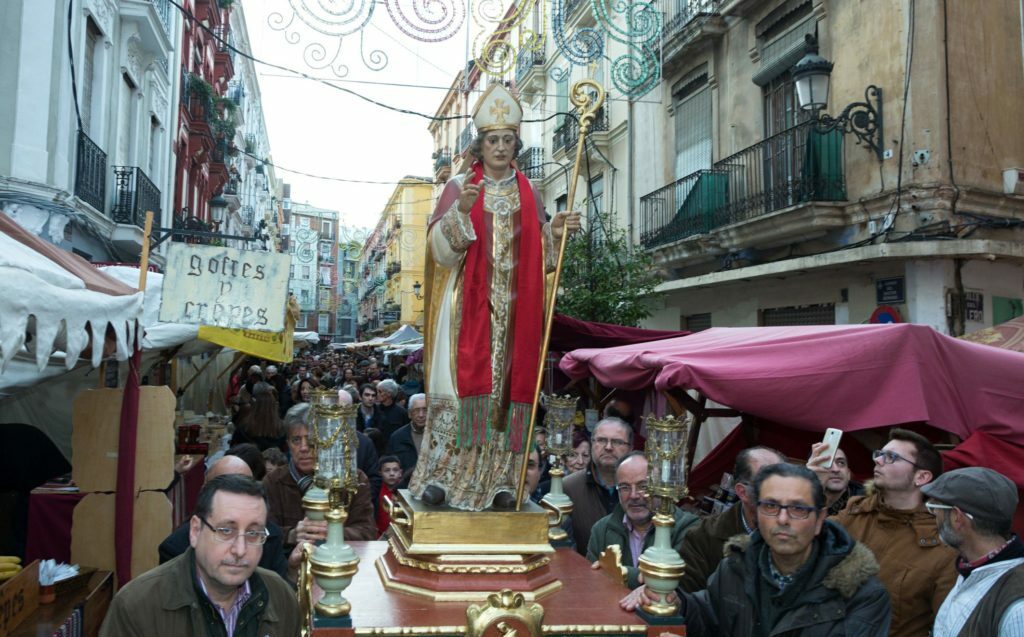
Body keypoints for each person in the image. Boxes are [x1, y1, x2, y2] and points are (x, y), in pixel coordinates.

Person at [408, 83, 580, 512]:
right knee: (460, 390)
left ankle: (502, 482)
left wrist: (553, 234)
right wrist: (461, 211)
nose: (500, 147)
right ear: (479, 145)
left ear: (515, 144)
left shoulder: (530, 191)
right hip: (466, 312)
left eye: (507, 140)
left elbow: (540, 259)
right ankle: (443, 481)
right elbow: (438, 254)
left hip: (514, 311)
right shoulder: (459, 186)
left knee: (507, 393)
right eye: (492, 140)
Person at [626, 464, 892, 637]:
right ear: (757, 512)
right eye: (771, 506)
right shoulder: (737, 566)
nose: (783, 519)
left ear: (820, 519)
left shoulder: (862, 595)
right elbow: (710, 615)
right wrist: (677, 600)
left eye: (798, 508)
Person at [101, 475, 300, 636]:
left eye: (253, 533)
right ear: (195, 531)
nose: (240, 550)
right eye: (225, 531)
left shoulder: (281, 596)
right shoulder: (136, 606)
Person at [813, 428, 957, 637]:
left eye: (891, 457)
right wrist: (813, 483)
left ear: (922, 476)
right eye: (879, 454)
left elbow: (945, 627)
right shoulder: (854, 513)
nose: (878, 460)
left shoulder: (942, 545)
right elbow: (801, 541)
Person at [923, 467, 1023, 637]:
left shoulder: (1018, 610)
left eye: (935, 509)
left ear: (957, 517)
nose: (934, 517)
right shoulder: (970, 568)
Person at [262, 404, 376, 549]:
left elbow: (368, 532)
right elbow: (262, 532)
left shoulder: (355, 479)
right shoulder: (273, 482)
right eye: (296, 440)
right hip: (290, 567)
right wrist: (291, 534)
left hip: (339, 563)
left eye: (311, 439)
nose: (303, 448)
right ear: (288, 444)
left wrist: (332, 533)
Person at [677, 445, 788, 592]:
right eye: (767, 485)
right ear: (743, 492)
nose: (778, 494)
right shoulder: (704, 537)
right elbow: (687, 601)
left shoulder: (799, 531)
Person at [158, 455, 288, 580]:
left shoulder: (271, 535)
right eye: (225, 531)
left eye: (245, 486)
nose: (240, 550)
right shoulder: (175, 548)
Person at [588, 453, 699, 588]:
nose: (634, 495)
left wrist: (622, 573)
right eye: (625, 487)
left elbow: (680, 587)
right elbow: (592, 583)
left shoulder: (688, 529)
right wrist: (642, 578)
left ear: (662, 487)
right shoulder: (601, 530)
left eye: (644, 486)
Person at [563, 417, 635, 553]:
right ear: (592, 444)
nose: (608, 447)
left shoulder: (641, 490)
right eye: (601, 440)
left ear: (631, 448)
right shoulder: (569, 487)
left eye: (617, 442)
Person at [385, 393, 426, 488]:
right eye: (416, 410)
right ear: (409, 414)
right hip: (404, 490)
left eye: (425, 410)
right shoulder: (397, 437)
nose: (421, 415)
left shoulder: (438, 437)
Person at [232, 382, 285, 453]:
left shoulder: (244, 427)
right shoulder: (282, 429)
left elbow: (233, 450)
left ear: (254, 405)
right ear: (274, 406)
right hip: (274, 463)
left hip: (249, 462)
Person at [814, 446, 865, 516]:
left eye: (841, 463)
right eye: (827, 463)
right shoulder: (801, 499)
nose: (836, 469)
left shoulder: (866, 504)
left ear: (848, 474)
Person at [377, 455, 403, 536]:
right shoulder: (376, 492)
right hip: (379, 536)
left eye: (395, 470)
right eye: (387, 470)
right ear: (380, 473)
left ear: (400, 473)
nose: (391, 474)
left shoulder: (405, 491)